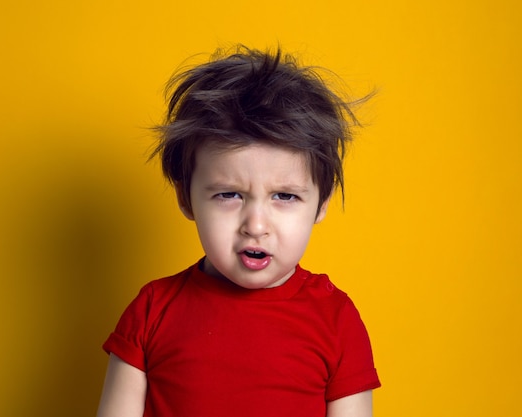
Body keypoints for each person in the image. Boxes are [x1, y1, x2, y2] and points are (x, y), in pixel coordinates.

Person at [96, 46, 380, 417]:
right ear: (186, 197)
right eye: (229, 194)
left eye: (285, 196)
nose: (256, 226)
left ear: (321, 203)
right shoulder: (152, 312)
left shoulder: (336, 320)